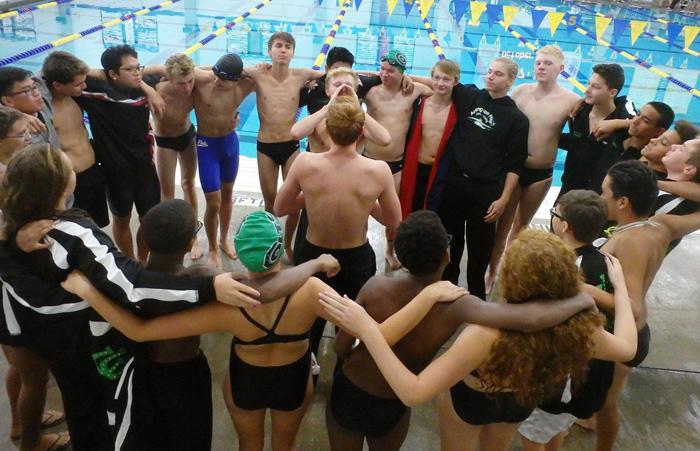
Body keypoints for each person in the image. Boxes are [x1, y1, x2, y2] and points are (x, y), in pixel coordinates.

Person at [59, 209, 458, 451]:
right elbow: (378, 335)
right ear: (277, 250)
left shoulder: (226, 302)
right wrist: (426, 298)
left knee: (250, 446)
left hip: (246, 380)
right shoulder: (312, 289)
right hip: (291, 379)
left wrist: (88, 291)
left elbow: (142, 332)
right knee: (283, 446)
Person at [0, 144, 271, 450]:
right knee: (112, 417)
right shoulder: (74, 233)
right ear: (60, 184)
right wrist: (209, 288)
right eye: (68, 166)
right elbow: (131, 286)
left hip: (56, 349)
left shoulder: (14, 232)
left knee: (79, 407)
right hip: (95, 349)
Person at [321, 228, 637, 451]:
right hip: (519, 402)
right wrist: (620, 291)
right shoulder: (580, 328)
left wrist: (367, 330)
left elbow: (413, 392)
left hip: (470, 401)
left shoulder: (483, 335)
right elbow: (628, 348)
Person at [275, 94, 401, 376]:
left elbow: (280, 207)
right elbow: (394, 221)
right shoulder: (378, 170)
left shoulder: (306, 162)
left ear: (327, 131)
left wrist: (313, 196)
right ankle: (345, 372)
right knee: (351, 323)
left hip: (313, 254)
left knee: (308, 321)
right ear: (362, 133)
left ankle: (307, 371)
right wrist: (365, 203)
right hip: (356, 258)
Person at [596, 160, 700, 451]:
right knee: (606, 404)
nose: (600, 195)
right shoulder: (661, 224)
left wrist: (580, 288)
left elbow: (632, 305)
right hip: (637, 333)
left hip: (622, 334)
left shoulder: (631, 241)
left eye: (605, 192)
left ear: (623, 201)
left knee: (606, 406)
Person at [519, 190, 615, 450]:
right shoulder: (604, 261)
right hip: (587, 376)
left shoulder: (561, 269)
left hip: (560, 380)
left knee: (533, 435)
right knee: (557, 428)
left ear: (564, 225)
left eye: (554, 214)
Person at [0, 107, 71, 451]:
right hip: (10, 292)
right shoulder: (7, 179)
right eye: (22, 134)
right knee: (34, 374)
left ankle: (18, 422)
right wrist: (14, 242)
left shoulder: (11, 173)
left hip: (11, 284)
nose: (29, 137)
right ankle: (30, 441)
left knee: (21, 366)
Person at [485, 46, 580, 291]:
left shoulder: (571, 101)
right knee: (501, 226)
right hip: (512, 170)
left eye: (547, 64)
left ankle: (511, 270)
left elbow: (586, 131)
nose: (540, 67)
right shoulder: (520, 92)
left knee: (521, 226)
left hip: (541, 173)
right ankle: (493, 269)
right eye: (538, 63)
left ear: (560, 69)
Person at [437, 57, 528, 300]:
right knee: (450, 243)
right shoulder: (471, 96)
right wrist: (406, 79)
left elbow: (515, 165)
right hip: (455, 185)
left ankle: (477, 300)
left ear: (511, 80)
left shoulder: (517, 119)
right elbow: (441, 83)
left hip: (486, 192)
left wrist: (504, 200)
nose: (490, 76)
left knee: (479, 251)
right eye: (489, 71)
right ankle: (448, 290)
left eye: (498, 74)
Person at [74, 45, 164, 262]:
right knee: (122, 220)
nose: (137, 73)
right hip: (115, 173)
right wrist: (100, 72)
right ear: (113, 74)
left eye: (138, 67)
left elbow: (168, 69)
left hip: (145, 169)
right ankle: (128, 260)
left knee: (148, 220)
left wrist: (147, 87)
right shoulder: (94, 91)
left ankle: (142, 261)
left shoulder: (146, 85)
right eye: (130, 69)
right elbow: (56, 75)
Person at [243, 32, 323, 261]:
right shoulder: (257, 74)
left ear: (293, 52)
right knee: (270, 203)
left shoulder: (302, 75)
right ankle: (272, 242)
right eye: (278, 46)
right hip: (265, 147)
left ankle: (287, 244)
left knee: (294, 203)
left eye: (288, 46)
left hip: (291, 146)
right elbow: (221, 69)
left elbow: (336, 75)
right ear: (269, 51)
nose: (283, 50)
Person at [363, 49, 432, 269]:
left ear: (401, 72)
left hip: (396, 165)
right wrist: (376, 75)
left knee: (394, 212)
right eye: (382, 69)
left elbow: (439, 85)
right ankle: (360, 242)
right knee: (361, 207)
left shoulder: (412, 92)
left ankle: (390, 251)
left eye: (390, 71)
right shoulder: (371, 92)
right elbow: (348, 75)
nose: (384, 74)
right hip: (369, 161)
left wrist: (410, 78)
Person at [192, 53, 252, 268]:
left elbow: (269, 76)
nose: (216, 80)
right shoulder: (202, 79)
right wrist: (211, 68)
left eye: (223, 78)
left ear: (236, 79)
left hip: (229, 144)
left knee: (228, 195)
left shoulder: (243, 86)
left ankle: (223, 239)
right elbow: (168, 68)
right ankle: (213, 249)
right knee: (213, 202)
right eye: (215, 74)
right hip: (207, 146)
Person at [40, 51, 109, 228]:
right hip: (72, 180)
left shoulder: (76, 98)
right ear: (57, 85)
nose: (85, 86)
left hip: (94, 171)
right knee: (78, 229)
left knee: (98, 227)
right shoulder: (44, 112)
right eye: (78, 84)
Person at [152, 53, 201, 259]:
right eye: (181, 83)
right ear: (168, 78)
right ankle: (171, 238)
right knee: (167, 192)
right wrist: (147, 88)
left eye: (190, 81)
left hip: (187, 136)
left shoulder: (195, 82)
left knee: (189, 184)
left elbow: (217, 72)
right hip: (165, 141)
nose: (187, 88)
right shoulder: (157, 90)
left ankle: (193, 236)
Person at [559, 64, 631, 197]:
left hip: (600, 195)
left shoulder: (623, 116)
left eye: (596, 87)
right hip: (569, 187)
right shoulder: (579, 112)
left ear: (612, 92)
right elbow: (578, 143)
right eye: (589, 84)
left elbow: (644, 126)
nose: (587, 90)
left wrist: (617, 123)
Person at [399, 60, 459, 218]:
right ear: (431, 78)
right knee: (409, 214)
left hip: (441, 174)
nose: (440, 83)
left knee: (434, 217)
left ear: (456, 81)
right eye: (437, 78)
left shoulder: (459, 109)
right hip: (416, 169)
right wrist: (405, 76)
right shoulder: (420, 103)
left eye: (446, 79)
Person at [0, 67, 60, 148]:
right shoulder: (10, 134)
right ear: (8, 101)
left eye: (34, 87)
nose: (37, 93)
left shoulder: (43, 103)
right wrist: (16, 116)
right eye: (27, 91)